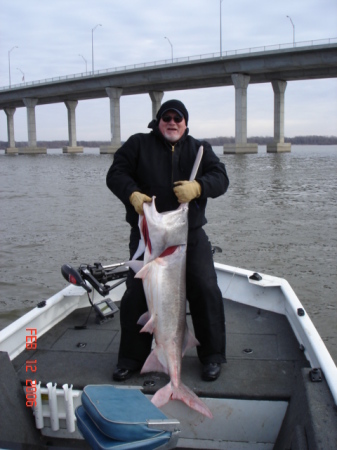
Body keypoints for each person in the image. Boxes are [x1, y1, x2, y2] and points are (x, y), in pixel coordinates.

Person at [106, 99, 229, 382]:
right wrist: (132, 193)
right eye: (166, 117)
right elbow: (116, 174)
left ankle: (211, 356)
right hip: (148, 233)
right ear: (158, 121)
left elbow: (221, 178)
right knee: (136, 294)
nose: (172, 122)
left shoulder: (200, 149)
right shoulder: (137, 144)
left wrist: (199, 187)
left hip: (189, 234)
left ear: (185, 123)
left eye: (178, 118)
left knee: (206, 287)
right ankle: (131, 359)